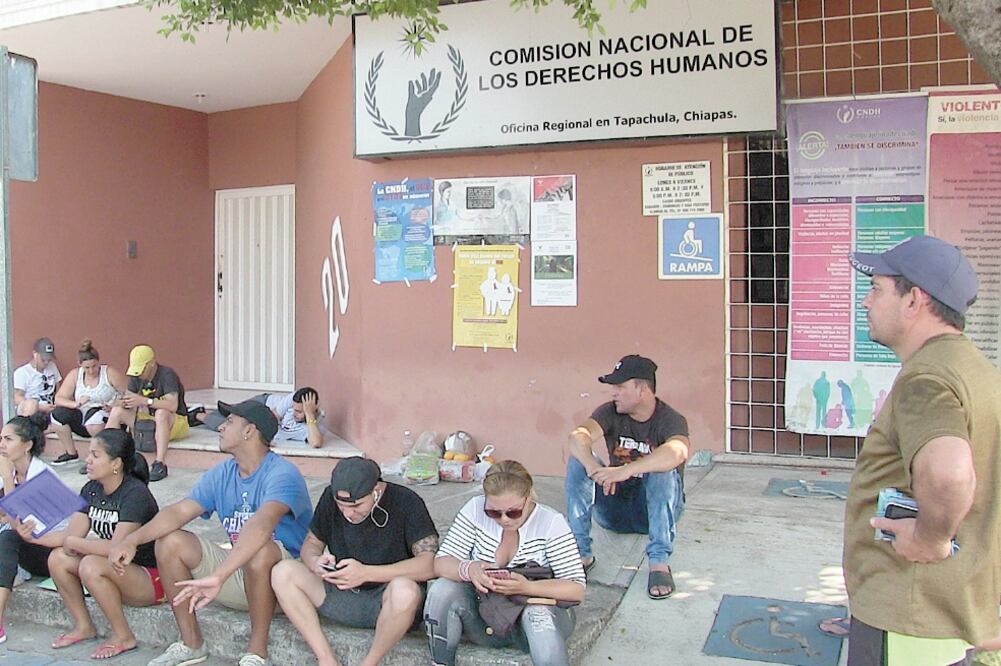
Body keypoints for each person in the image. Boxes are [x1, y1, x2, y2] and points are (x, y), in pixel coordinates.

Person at [844, 235, 1001, 665]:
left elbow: (950, 472)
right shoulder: (977, 371)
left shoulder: (926, 379)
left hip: (910, 621)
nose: (866, 303)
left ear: (914, 300)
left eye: (876, 289)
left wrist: (932, 538)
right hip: (952, 615)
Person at [108, 399, 313, 666]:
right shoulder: (222, 473)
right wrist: (132, 540)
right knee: (170, 541)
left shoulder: (282, 474)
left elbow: (260, 525)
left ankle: (256, 653)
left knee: (260, 550)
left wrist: (219, 575)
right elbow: (179, 512)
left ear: (249, 431)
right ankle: (191, 643)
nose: (220, 428)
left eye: (229, 423)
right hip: (240, 574)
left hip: (286, 584)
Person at [271, 457, 438, 666]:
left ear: (376, 490)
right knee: (283, 572)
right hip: (341, 591)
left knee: (405, 590)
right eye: (342, 506)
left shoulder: (407, 501)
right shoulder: (329, 499)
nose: (348, 513)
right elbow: (311, 544)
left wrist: (367, 573)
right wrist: (316, 562)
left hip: (387, 603)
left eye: (357, 505)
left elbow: (429, 564)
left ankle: (370, 663)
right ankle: (326, 659)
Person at [426, 460, 586, 666]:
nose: (504, 519)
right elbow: (441, 563)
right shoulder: (474, 509)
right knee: (442, 589)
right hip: (486, 612)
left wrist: (527, 587)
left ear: (528, 499)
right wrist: (470, 569)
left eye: (513, 512)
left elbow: (576, 589)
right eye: (493, 512)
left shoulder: (550, 523)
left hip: (536, 617)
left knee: (537, 614)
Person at [564, 355, 689, 599]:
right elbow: (577, 436)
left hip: (652, 512)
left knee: (662, 472)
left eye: (620, 387)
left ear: (642, 389)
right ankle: (581, 555)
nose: (614, 393)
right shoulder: (610, 412)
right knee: (577, 460)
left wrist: (623, 471)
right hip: (615, 510)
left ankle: (659, 563)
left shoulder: (671, 419)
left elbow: (677, 452)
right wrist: (592, 467)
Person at [47, 429, 162, 659]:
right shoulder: (91, 489)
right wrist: (30, 536)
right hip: (116, 570)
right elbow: (71, 539)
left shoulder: (135, 494)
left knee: (90, 564)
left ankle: (123, 636)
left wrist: (78, 543)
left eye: (95, 455)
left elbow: (116, 549)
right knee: (58, 558)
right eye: (88, 454)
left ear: (116, 464)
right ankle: (83, 626)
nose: (87, 460)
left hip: (150, 578)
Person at [0, 414, 68, 644]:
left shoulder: (43, 476)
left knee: (7, 537)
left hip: (49, 551)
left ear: (27, 445)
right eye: (1, 439)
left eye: (8, 439)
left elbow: (18, 523)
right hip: (23, 545)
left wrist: (7, 479)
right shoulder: (8, 473)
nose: (2, 445)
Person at [103, 344, 188, 482]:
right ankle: (105, 455)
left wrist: (144, 401)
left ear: (152, 364)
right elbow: (129, 398)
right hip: (148, 420)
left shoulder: (167, 375)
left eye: (141, 370)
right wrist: (120, 403)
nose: (139, 374)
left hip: (175, 422)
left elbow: (173, 405)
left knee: (161, 413)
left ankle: (160, 463)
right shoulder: (136, 377)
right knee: (117, 412)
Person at [49, 339, 127, 466]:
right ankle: (71, 453)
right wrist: (75, 404)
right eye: (87, 367)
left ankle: (101, 456)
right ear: (80, 365)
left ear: (99, 362)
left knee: (95, 417)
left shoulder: (109, 373)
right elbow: (59, 398)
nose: (91, 371)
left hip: (105, 419)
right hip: (83, 418)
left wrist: (114, 405)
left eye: (94, 366)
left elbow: (129, 394)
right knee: (58, 415)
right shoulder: (75, 375)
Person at [194, 387, 327, 448]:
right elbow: (270, 418)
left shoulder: (314, 428)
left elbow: (316, 443)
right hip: (264, 404)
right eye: (294, 409)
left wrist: (309, 414)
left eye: (299, 412)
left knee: (231, 426)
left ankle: (196, 415)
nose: (294, 414)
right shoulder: (293, 398)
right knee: (235, 417)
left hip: (267, 415)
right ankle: (229, 411)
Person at [12, 337, 61, 417]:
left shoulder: (52, 366)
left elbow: (58, 388)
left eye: (49, 359)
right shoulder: (22, 372)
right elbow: (17, 398)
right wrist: (39, 407)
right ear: (35, 354)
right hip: (32, 412)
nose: (46, 362)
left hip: (51, 409)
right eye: (43, 359)